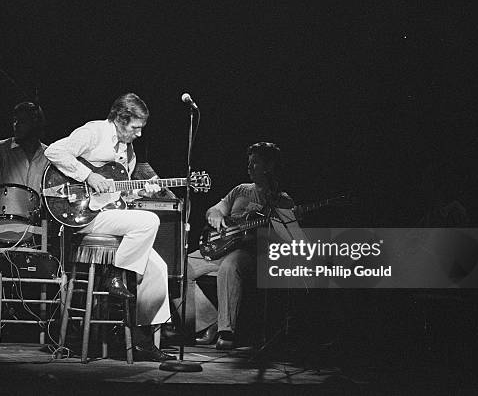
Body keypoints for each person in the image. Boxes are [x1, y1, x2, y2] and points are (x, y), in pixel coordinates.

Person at [44, 92, 175, 362]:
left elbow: (121, 197)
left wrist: (144, 192)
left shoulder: (128, 152)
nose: (139, 134)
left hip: (107, 214)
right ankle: (115, 276)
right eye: (135, 127)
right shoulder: (95, 131)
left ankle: (141, 338)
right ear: (119, 119)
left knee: (158, 268)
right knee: (150, 221)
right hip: (84, 215)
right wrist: (88, 175)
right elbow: (53, 151)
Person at [183, 142, 297, 350]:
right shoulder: (240, 190)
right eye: (249, 162)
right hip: (222, 247)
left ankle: (226, 330)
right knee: (180, 267)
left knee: (231, 265)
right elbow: (214, 210)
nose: (249, 167)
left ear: (269, 167)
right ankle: (207, 322)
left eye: (255, 163)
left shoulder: (281, 199)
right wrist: (215, 216)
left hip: (251, 253)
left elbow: (289, 238)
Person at [0, 101, 50, 194]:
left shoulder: (48, 155)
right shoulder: (3, 148)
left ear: (35, 124)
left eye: (22, 121)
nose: (16, 125)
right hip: (7, 207)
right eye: (15, 120)